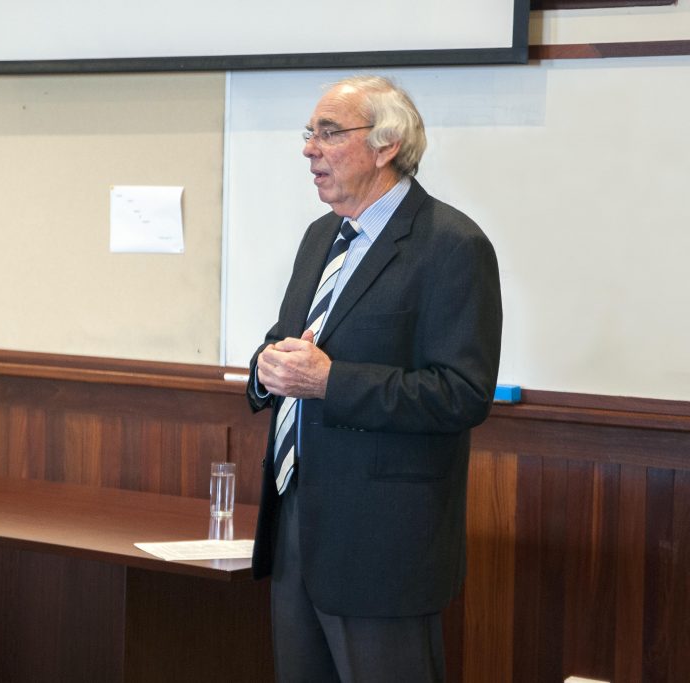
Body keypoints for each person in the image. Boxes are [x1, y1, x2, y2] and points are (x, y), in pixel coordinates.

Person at [247, 75, 502, 682]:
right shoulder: (321, 238)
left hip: (383, 546)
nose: (309, 148)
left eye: (329, 133)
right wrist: (265, 368)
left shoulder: (452, 245)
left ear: (386, 145)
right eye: (309, 133)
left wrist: (332, 382)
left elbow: (461, 393)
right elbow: (291, 343)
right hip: (297, 525)